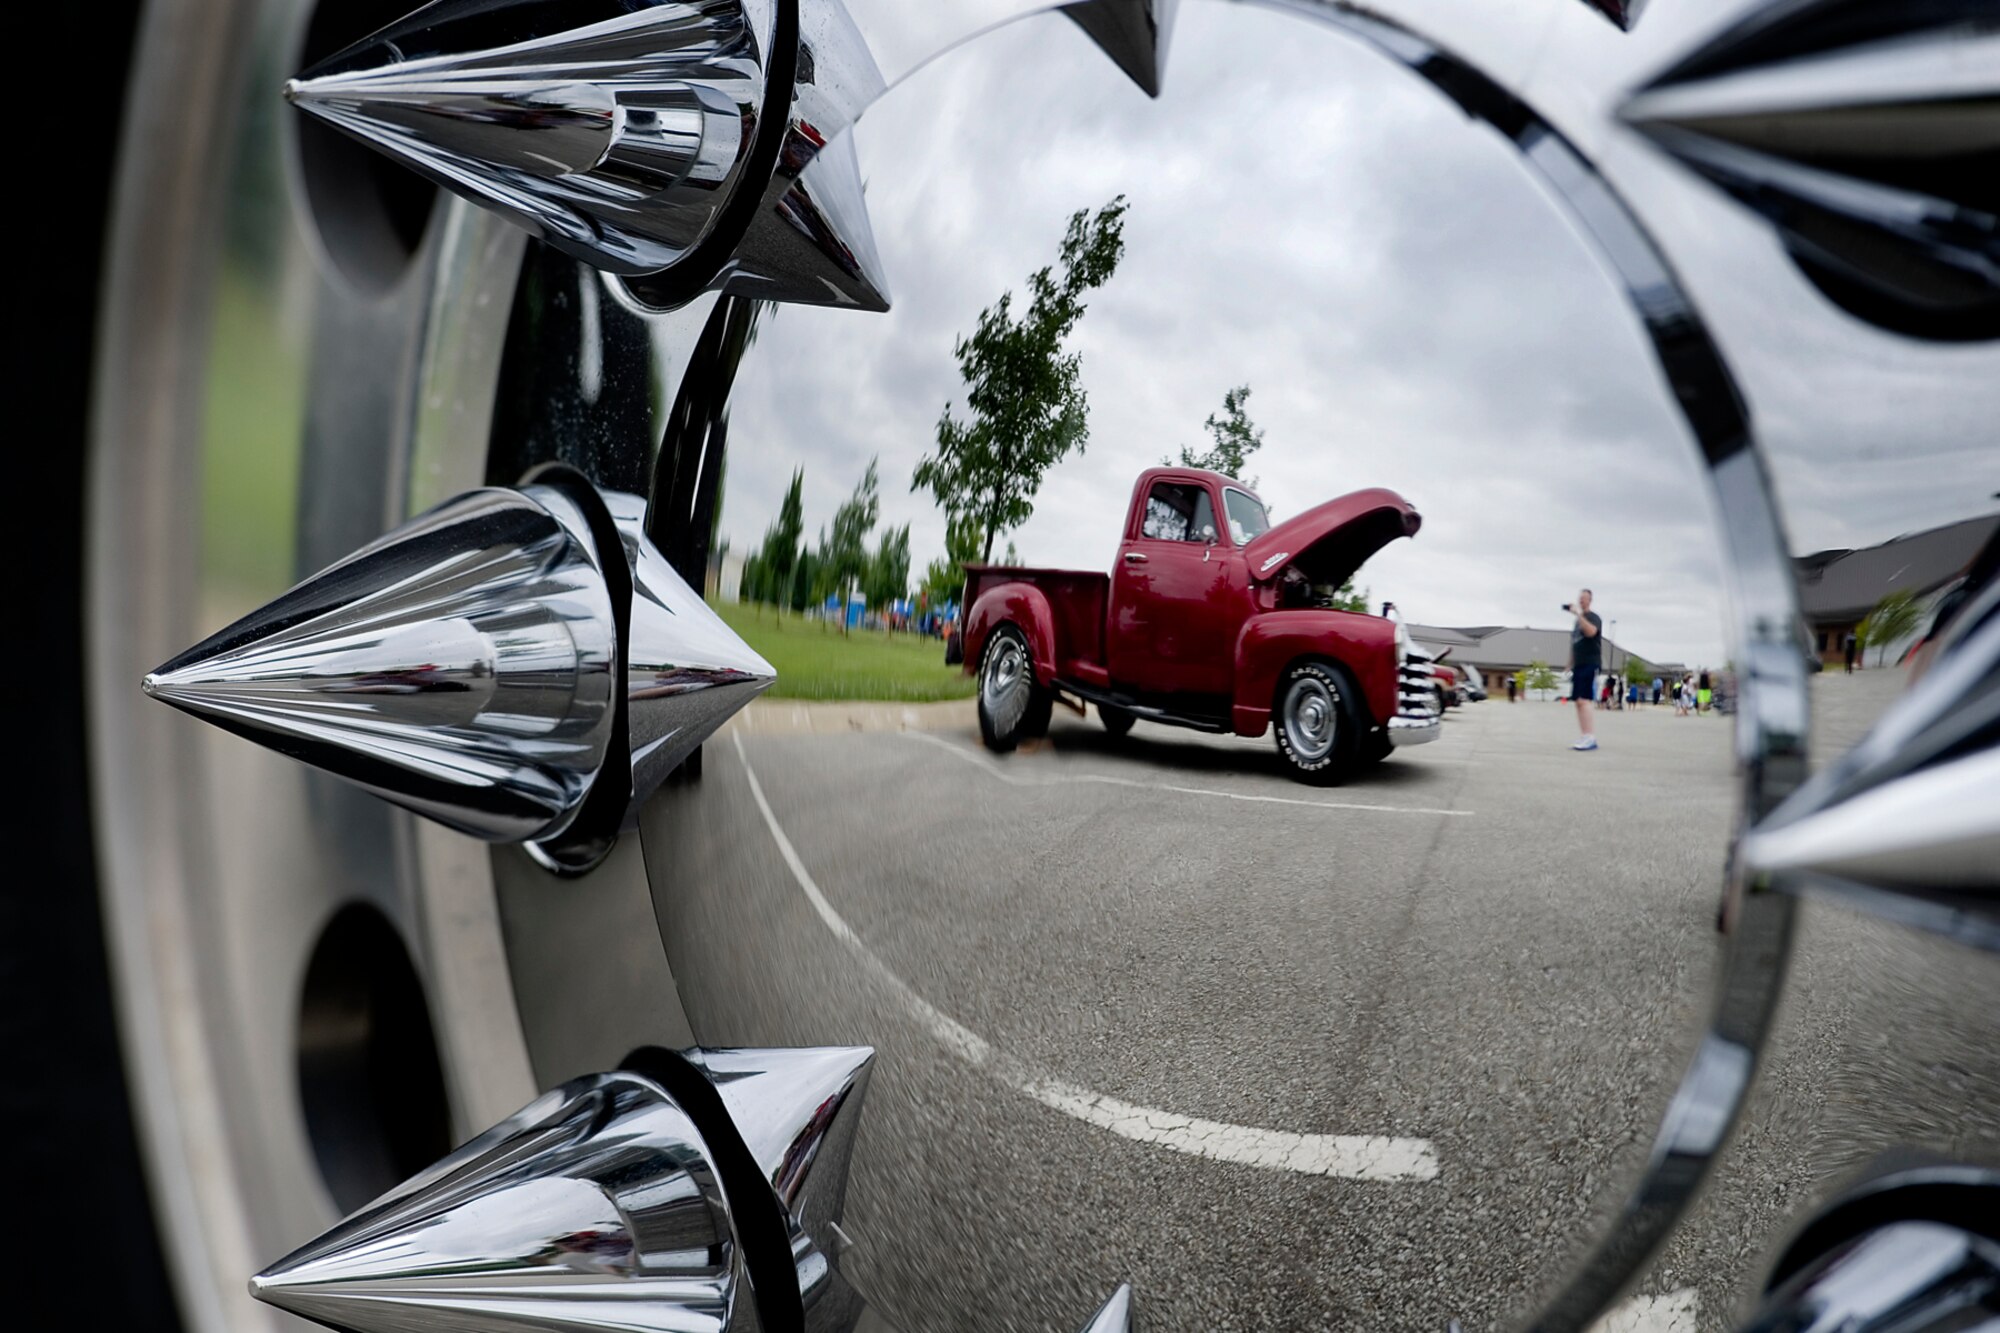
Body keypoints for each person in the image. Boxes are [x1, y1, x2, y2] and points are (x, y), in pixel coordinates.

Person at [1567, 588, 1603, 750]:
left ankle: (1590, 736)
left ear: (1590, 600)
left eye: (1584, 598)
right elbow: (1575, 643)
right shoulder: (1577, 623)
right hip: (1579, 664)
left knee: (1584, 699)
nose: (1581, 601)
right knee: (1578, 702)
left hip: (1590, 662)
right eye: (1579, 598)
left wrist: (1579, 615)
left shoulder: (1593, 618)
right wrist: (1569, 663)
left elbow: (1590, 632)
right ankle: (1584, 735)